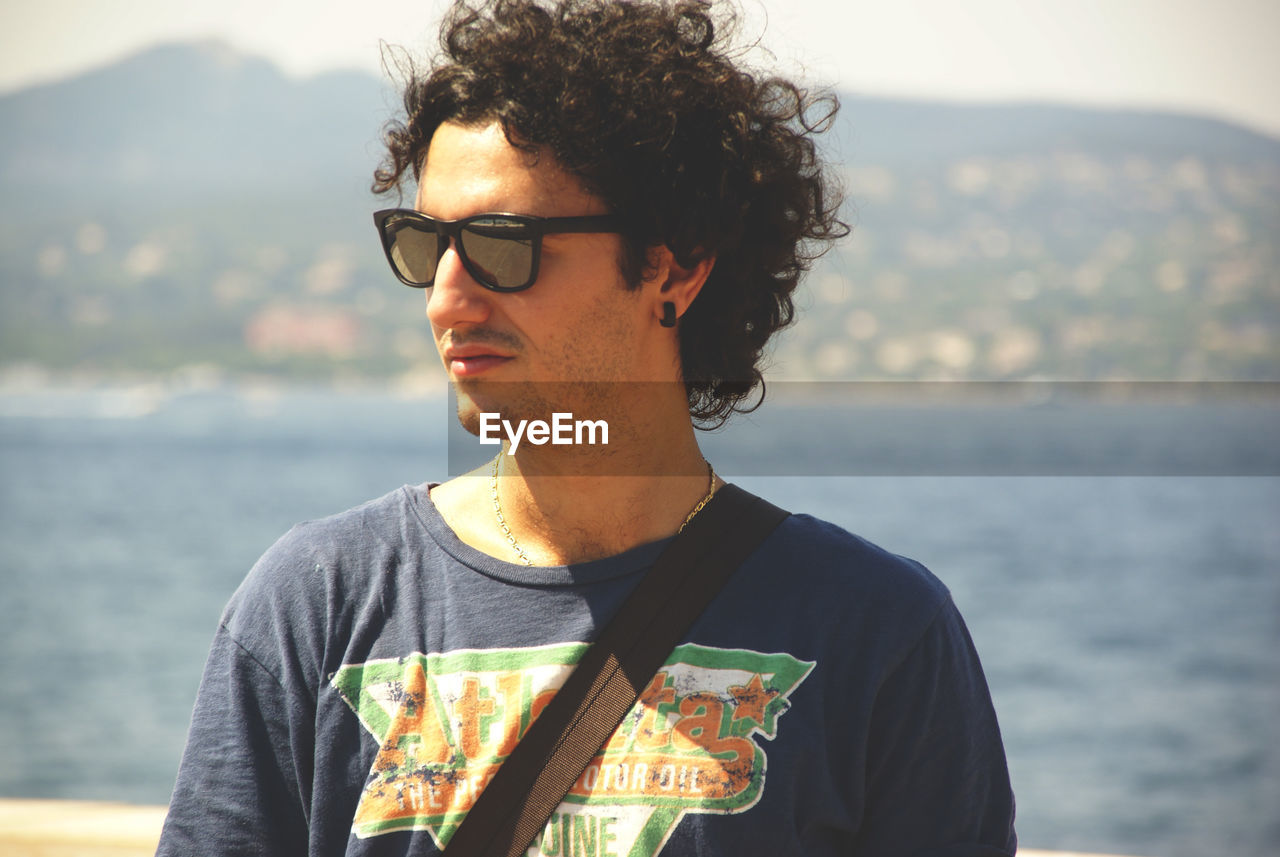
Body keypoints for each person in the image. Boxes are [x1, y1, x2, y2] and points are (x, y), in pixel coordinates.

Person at [158, 1, 1016, 854]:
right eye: (425, 243)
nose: (447, 299)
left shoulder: (877, 632)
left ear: (672, 265)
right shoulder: (314, 605)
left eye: (503, 242)